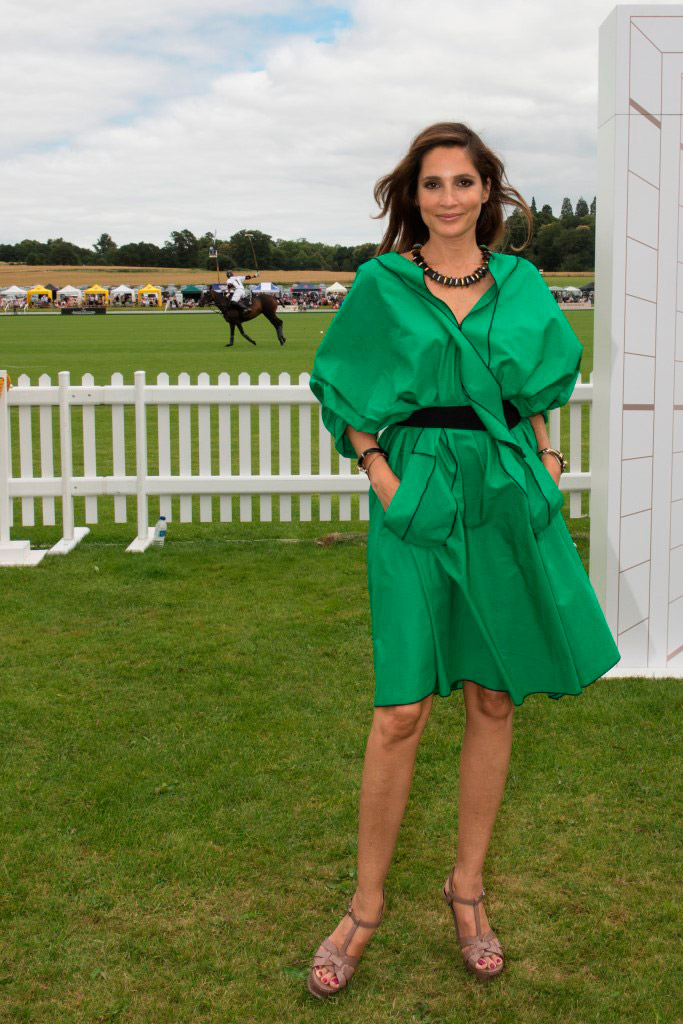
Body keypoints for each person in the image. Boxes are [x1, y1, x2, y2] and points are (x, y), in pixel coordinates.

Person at [306, 121, 621, 999]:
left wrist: (547, 457)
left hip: (504, 490)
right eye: (432, 183)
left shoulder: (521, 283)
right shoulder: (381, 284)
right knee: (400, 708)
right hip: (416, 489)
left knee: (492, 694)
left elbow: (535, 390)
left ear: (489, 191)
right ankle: (365, 905)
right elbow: (341, 386)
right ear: (412, 196)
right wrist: (379, 472)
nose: (448, 198)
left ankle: (467, 889)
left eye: (463, 182)